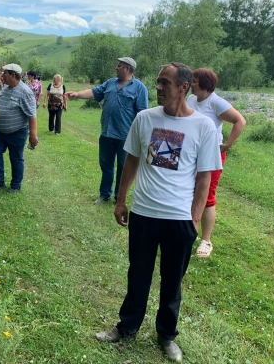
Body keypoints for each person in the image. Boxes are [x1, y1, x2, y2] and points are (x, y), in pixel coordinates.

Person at [95, 63, 222, 363]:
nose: (159, 88)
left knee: (172, 280)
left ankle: (166, 336)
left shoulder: (203, 126)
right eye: (158, 82)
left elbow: (204, 178)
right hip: (144, 213)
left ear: (184, 87)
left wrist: (193, 219)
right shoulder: (145, 118)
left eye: (166, 82)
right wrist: (121, 200)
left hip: (179, 219)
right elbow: (131, 162)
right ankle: (126, 328)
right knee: (138, 273)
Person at [67, 57, 148, 203]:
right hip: (107, 133)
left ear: (128, 69)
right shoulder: (110, 83)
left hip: (126, 136)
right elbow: (94, 92)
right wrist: (77, 94)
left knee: (124, 168)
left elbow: (143, 114)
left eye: (119, 66)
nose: (116, 68)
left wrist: (141, 136)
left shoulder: (140, 88)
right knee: (106, 165)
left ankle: (119, 196)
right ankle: (104, 194)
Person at [187, 68, 246, 258]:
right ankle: (189, 230)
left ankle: (206, 240)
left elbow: (240, 121)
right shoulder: (191, 100)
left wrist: (227, 144)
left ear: (204, 83)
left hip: (211, 157)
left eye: (194, 80)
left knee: (207, 197)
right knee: (189, 191)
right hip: (191, 155)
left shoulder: (216, 102)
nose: (191, 83)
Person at [0, 63, 39, 193]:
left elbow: (32, 115)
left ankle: (15, 186)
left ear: (13, 75)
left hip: (17, 132)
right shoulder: (6, 88)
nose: (2, 75)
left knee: (16, 158)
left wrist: (33, 135)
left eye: (5, 73)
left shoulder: (25, 92)